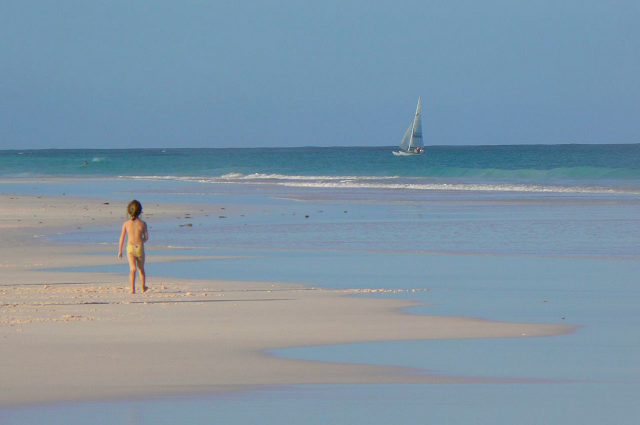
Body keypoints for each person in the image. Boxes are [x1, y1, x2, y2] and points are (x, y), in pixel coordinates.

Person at [118, 200, 149, 294]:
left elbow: (122, 238)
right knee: (141, 269)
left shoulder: (126, 224)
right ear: (140, 211)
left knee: (132, 269)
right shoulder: (143, 224)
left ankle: (132, 289)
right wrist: (141, 241)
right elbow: (146, 237)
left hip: (130, 248)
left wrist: (120, 250)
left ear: (128, 211)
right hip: (139, 247)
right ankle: (143, 287)